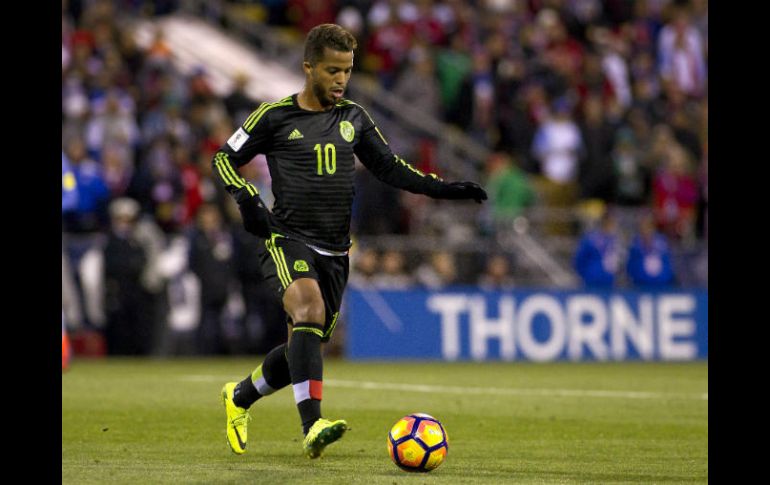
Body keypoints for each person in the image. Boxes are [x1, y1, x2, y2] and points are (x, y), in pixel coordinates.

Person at [214, 24, 487, 460]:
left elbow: (391, 167)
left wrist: (443, 189)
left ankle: (240, 397)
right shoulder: (273, 116)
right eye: (332, 70)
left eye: (348, 71)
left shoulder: (355, 118)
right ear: (308, 68)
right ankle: (312, 425)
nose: (341, 79)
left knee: (300, 348)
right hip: (287, 238)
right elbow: (224, 157)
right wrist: (246, 196)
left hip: (336, 251)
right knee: (308, 309)